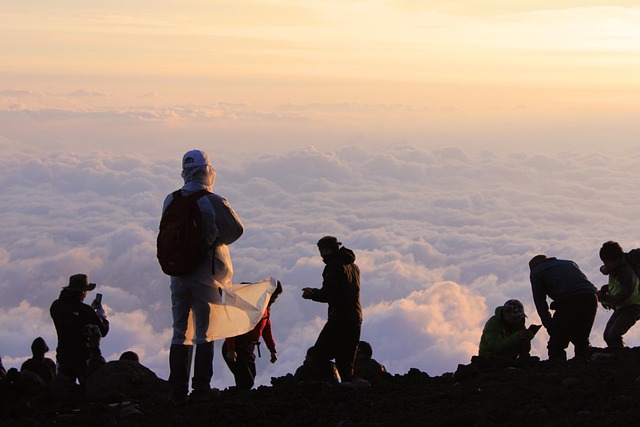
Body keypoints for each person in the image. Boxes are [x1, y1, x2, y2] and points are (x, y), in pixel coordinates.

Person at [162, 149, 244, 403]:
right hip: (204, 273)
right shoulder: (213, 201)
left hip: (178, 274)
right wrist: (214, 241)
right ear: (207, 171)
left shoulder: (171, 199)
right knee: (203, 333)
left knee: (179, 332)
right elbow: (236, 230)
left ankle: (177, 390)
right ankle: (201, 388)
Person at [302, 236, 362, 383]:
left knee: (318, 355)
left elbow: (329, 294)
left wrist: (312, 294)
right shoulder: (353, 267)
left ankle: (322, 385)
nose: (321, 255)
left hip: (340, 318)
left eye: (321, 251)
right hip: (356, 317)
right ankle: (350, 387)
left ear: (326, 249)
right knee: (345, 360)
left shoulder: (333, 266)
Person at [529, 255, 598, 361]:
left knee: (556, 345)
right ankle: (585, 369)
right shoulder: (569, 263)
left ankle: (559, 372)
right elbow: (576, 285)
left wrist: (549, 325)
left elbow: (540, 301)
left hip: (569, 301)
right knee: (581, 340)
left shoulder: (536, 272)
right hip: (591, 298)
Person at [49, 274, 109, 384]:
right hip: (83, 357)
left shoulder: (56, 306)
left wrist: (89, 311)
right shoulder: (86, 311)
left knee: (65, 389)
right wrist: (102, 315)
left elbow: (73, 317)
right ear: (82, 291)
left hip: (64, 355)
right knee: (87, 387)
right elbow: (103, 330)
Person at [222, 281, 282, 390]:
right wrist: (231, 349)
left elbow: (266, 330)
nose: (274, 300)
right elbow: (232, 327)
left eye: (276, 297)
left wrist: (272, 350)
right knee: (246, 381)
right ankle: (235, 400)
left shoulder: (265, 310)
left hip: (247, 350)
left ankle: (236, 399)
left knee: (249, 379)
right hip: (236, 347)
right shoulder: (249, 306)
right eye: (273, 296)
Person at [597, 241, 640, 348]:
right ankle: (618, 355)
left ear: (615, 260)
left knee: (613, 335)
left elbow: (626, 296)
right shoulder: (616, 267)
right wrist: (605, 289)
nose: (605, 265)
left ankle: (621, 357)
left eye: (606, 262)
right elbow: (616, 286)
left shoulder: (626, 273)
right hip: (623, 307)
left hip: (633, 306)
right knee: (607, 336)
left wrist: (605, 298)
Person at [476, 299, 537, 366]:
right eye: (514, 317)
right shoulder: (493, 324)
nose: (517, 319)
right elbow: (495, 346)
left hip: (509, 357)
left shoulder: (519, 324)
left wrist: (526, 339)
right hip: (490, 357)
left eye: (519, 317)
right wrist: (517, 336)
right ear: (505, 313)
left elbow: (525, 350)